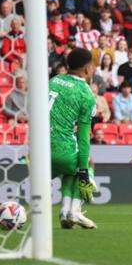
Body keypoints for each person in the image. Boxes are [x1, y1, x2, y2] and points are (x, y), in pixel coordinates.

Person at [49, 47, 98, 229]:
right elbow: (84, 137)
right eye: (92, 66)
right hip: (63, 150)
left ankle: (65, 212)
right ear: (87, 69)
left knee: (70, 172)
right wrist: (86, 171)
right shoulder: (86, 94)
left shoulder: (54, 80)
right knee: (84, 163)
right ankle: (75, 210)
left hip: (38, 148)